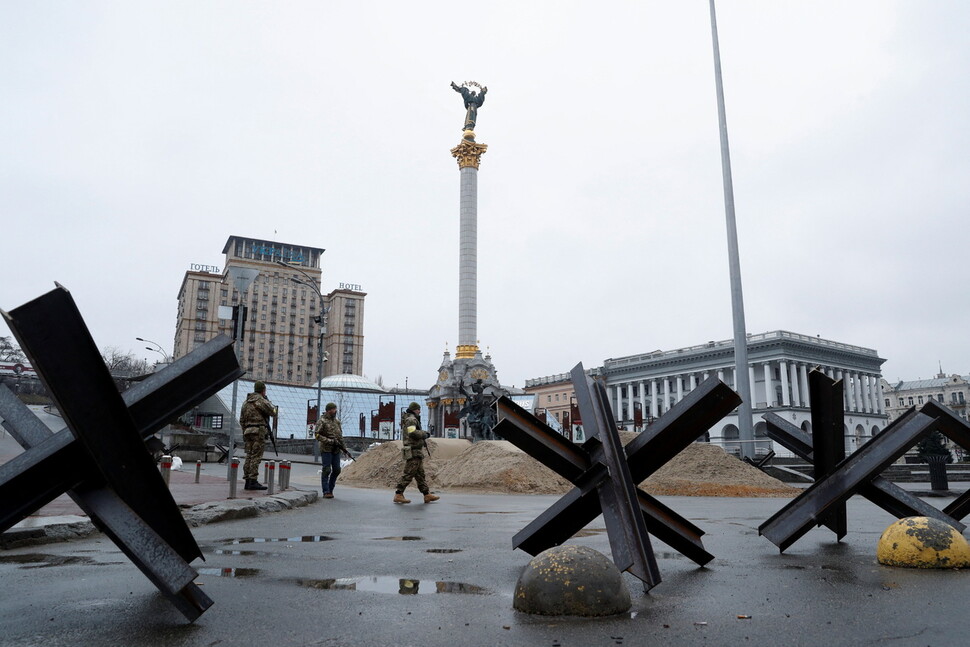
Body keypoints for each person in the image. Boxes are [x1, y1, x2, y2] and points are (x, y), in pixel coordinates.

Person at [393, 402, 440, 504]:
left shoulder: (413, 419)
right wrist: (424, 434)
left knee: (420, 475)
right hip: (413, 450)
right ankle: (398, 494)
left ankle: (426, 494)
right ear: (414, 410)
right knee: (409, 473)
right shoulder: (411, 420)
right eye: (418, 409)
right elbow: (412, 432)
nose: (420, 411)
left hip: (416, 450)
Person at [240, 380, 276, 491]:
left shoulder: (246, 402)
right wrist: (268, 401)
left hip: (248, 431)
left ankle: (247, 480)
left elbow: (241, 420)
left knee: (249, 456)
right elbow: (273, 411)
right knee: (256, 457)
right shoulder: (260, 400)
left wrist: (245, 430)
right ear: (263, 390)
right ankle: (253, 481)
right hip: (258, 432)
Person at [314, 402, 346, 499]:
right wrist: (329, 441)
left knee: (337, 470)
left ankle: (331, 488)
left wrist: (344, 448)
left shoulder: (337, 422)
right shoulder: (322, 421)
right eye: (333, 409)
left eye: (335, 409)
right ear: (328, 410)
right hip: (326, 449)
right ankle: (326, 491)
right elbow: (317, 435)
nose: (335, 411)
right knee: (327, 469)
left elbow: (340, 436)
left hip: (336, 449)